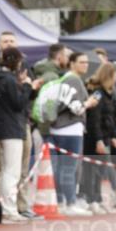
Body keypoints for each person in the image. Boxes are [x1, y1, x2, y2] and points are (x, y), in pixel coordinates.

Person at [49, 51, 99, 216]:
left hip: (58, 127)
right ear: (72, 63)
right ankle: (70, 202)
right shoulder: (74, 80)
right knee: (69, 168)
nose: (85, 65)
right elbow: (76, 107)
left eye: (86, 62)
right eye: (81, 62)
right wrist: (89, 103)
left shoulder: (63, 79)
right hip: (70, 128)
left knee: (61, 167)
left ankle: (62, 200)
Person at [0, 46, 34, 222]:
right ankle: (9, 210)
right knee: (11, 171)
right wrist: (28, 86)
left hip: (3, 127)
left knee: (7, 170)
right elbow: (18, 103)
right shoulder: (8, 79)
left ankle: (8, 208)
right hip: (11, 128)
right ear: (14, 60)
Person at [81, 62, 116, 213]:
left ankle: (98, 199)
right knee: (92, 170)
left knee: (100, 170)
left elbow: (110, 117)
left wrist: (113, 136)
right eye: (115, 74)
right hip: (95, 137)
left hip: (105, 136)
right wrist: (98, 140)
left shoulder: (108, 93)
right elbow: (94, 119)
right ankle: (92, 200)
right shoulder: (98, 93)